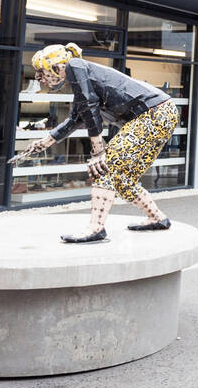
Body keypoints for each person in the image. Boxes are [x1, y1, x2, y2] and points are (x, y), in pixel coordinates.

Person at [24, 43, 179, 243]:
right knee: (123, 180)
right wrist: (45, 141)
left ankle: (96, 227)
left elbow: (89, 106)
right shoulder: (82, 76)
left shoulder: (75, 66)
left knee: (104, 167)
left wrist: (98, 151)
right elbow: (76, 118)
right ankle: (157, 218)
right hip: (161, 113)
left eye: (41, 72)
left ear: (57, 66)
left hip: (154, 113)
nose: (40, 78)